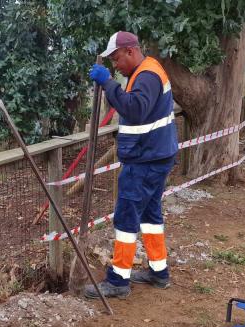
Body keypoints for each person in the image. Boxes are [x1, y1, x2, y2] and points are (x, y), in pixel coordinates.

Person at [84, 31, 178, 299]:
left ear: (130, 51)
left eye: (116, 58)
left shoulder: (147, 76)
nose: (115, 65)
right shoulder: (147, 71)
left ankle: (118, 280)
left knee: (126, 217)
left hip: (145, 159)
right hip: (154, 155)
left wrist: (108, 83)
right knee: (150, 216)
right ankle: (159, 272)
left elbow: (135, 110)